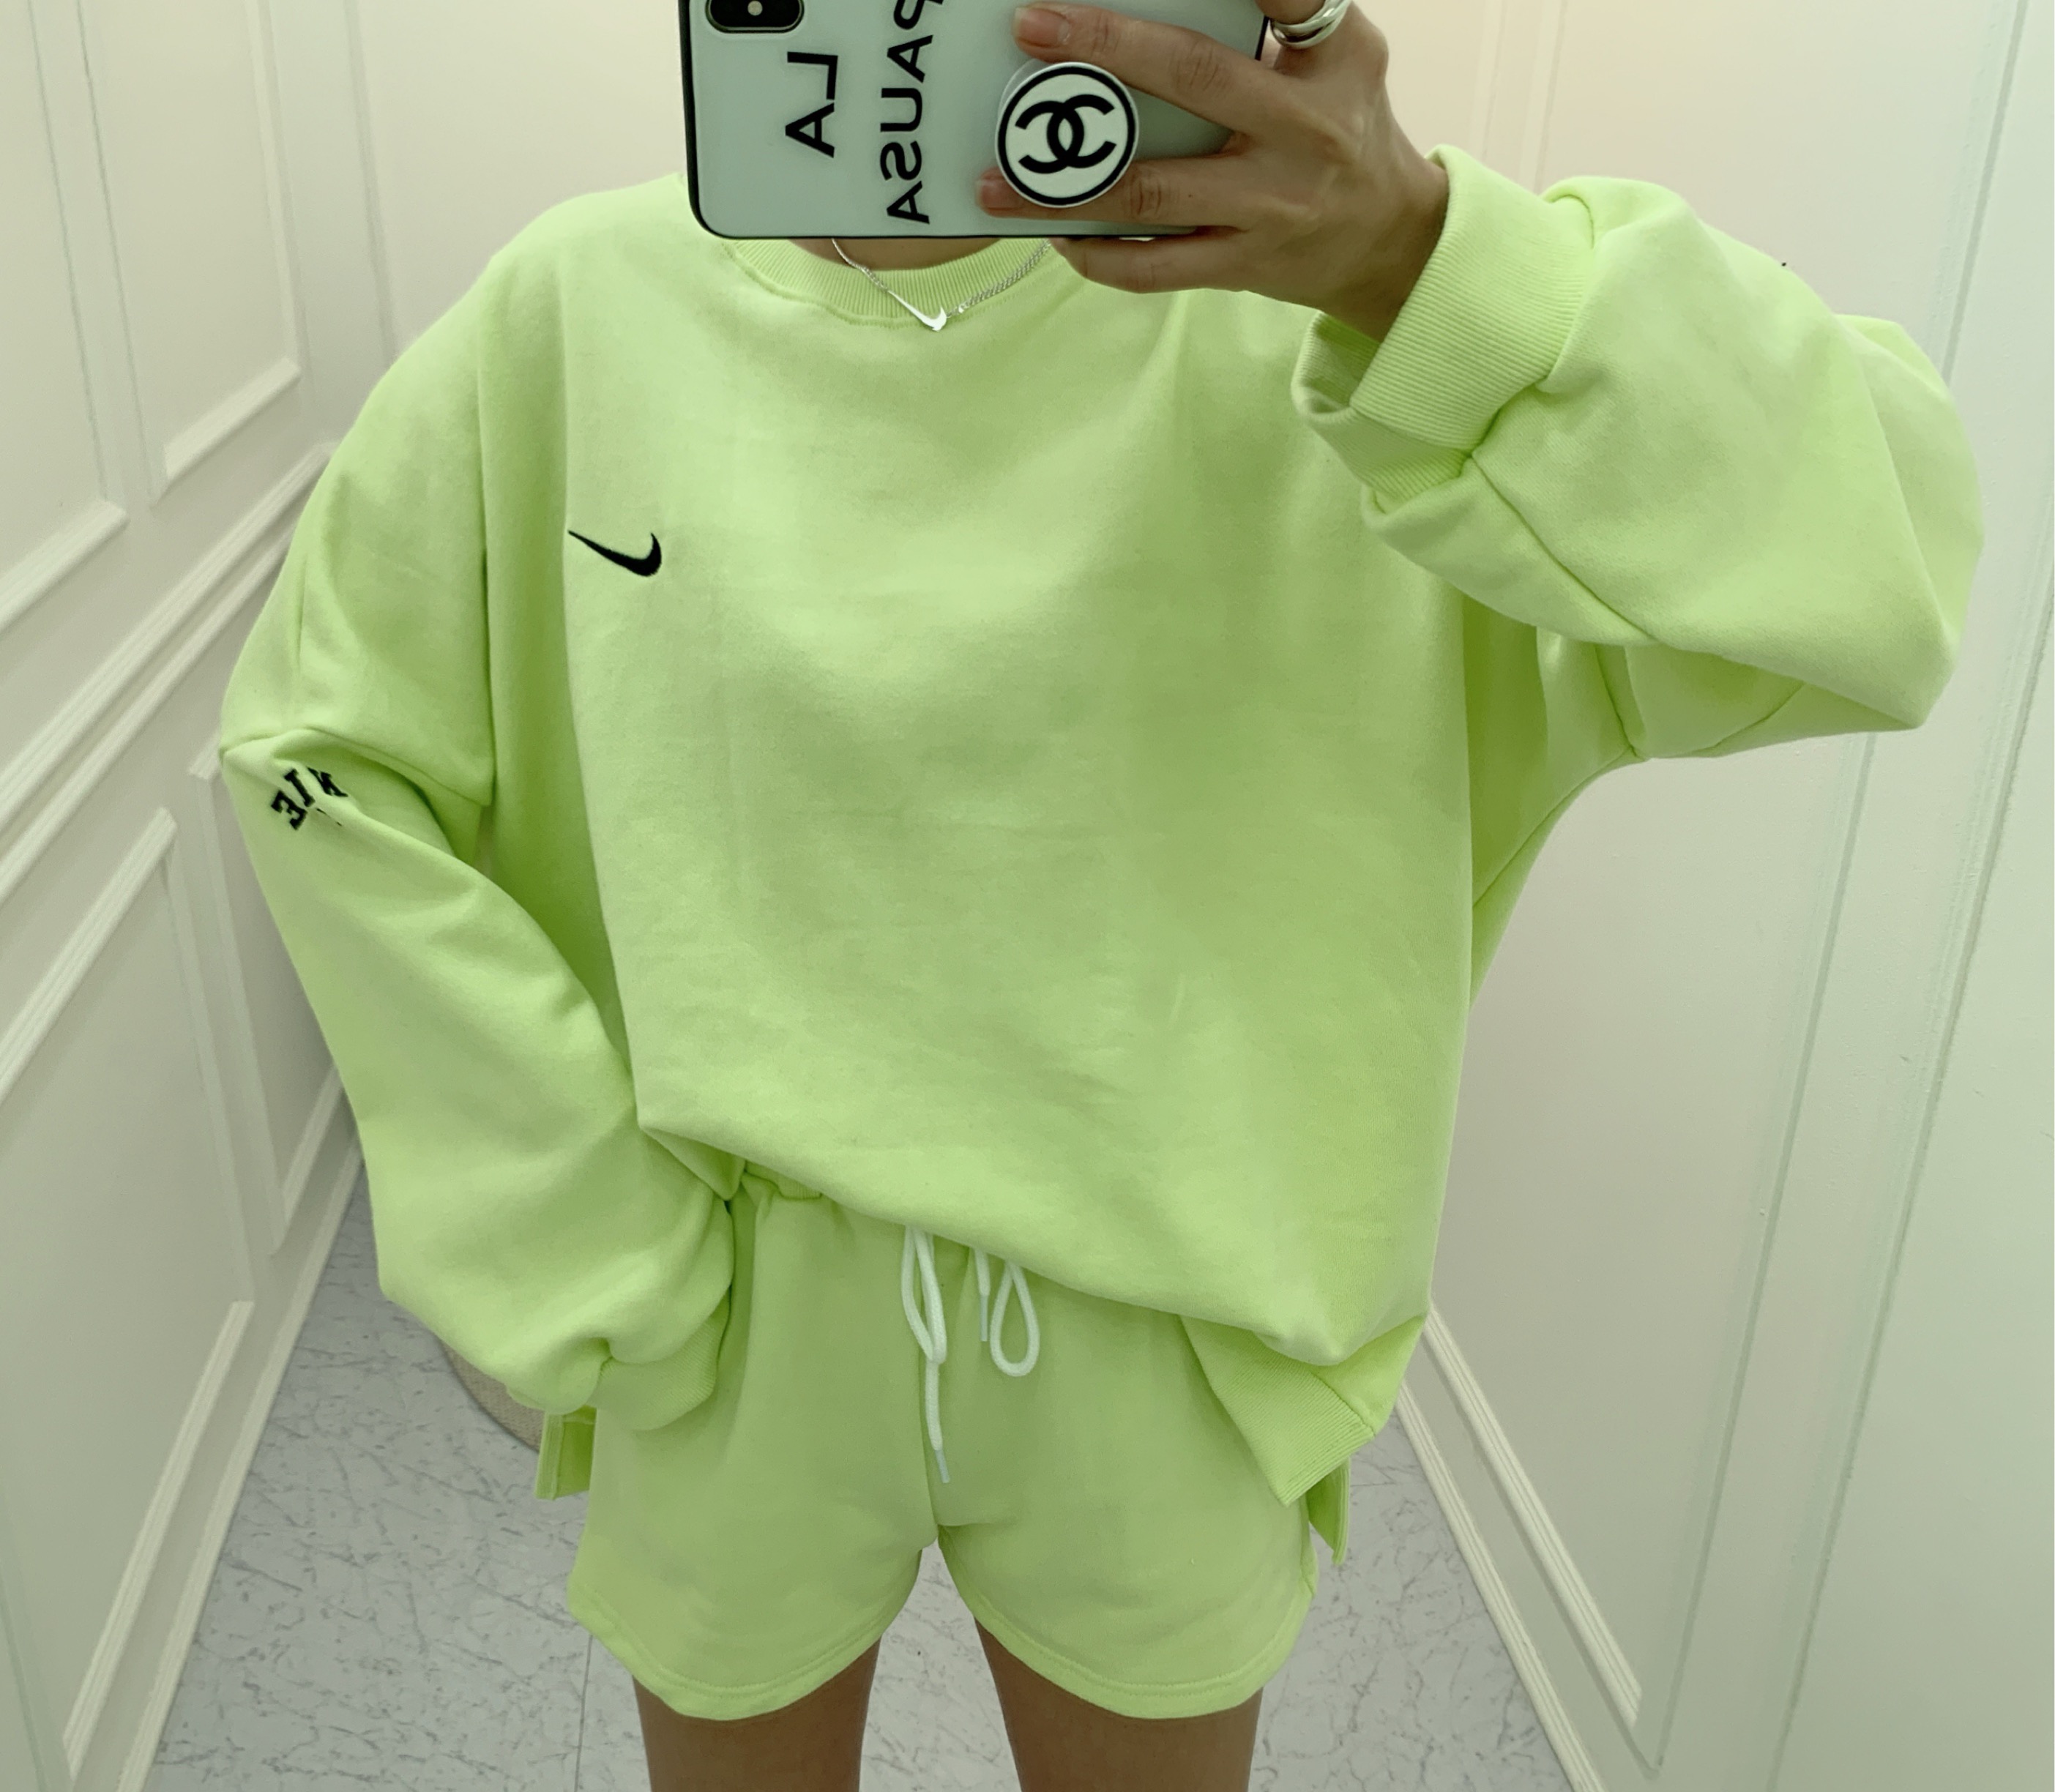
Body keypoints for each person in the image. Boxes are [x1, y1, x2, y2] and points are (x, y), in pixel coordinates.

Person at [215, 0, 1983, 1786]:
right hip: (727, 1307)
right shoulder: (573, 309)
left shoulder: (1344, 330)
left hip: (1170, 1300)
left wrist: (1429, 262)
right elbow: (313, 757)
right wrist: (582, 1234)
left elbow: (1887, 577)